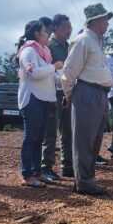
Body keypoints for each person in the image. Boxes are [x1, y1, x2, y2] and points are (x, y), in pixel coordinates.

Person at [61, 3, 113, 196]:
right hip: (87, 92)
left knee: (94, 140)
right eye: (105, 19)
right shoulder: (83, 40)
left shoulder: (96, 42)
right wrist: (68, 94)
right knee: (84, 141)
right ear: (96, 21)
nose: (107, 23)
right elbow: (69, 71)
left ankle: (87, 179)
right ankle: (83, 182)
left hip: (99, 94)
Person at [17, 21, 62, 187]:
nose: (48, 34)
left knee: (39, 138)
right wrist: (54, 67)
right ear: (36, 33)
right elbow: (34, 73)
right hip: (32, 99)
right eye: (45, 31)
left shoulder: (44, 51)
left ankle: (37, 172)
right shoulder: (29, 50)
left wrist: (65, 78)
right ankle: (27, 175)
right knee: (31, 138)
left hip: (44, 99)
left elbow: (49, 75)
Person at [42, 13, 74, 179]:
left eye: (70, 27)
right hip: (51, 93)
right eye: (66, 27)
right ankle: (45, 166)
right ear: (55, 28)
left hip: (67, 92)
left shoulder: (69, 46)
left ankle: (67, 165)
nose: (70, 30)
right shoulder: (48, 46)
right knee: (50, 131)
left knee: (68, 129)